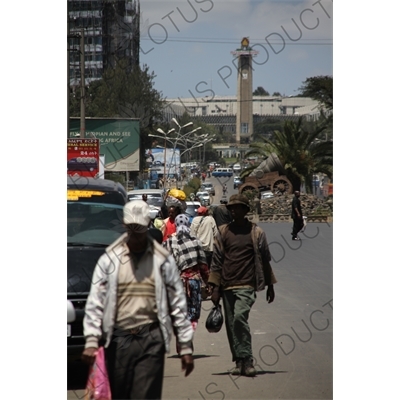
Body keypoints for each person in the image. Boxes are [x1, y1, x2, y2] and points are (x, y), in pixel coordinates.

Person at [81, 201, 194, 400]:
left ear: (148, 225)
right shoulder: (110, 259)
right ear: (124, 226)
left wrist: (184, 344)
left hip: (151, 338)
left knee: (144, 395)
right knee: (122, 394)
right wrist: (91, 339)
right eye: (131, 229)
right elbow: (95, 301)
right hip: (118, 340)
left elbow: (177, 302)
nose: (136, 234)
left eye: (140, 229)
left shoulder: (162, 260)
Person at [207, 194, 277, 377]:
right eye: (231, 207)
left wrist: (270, 285)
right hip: (227, 285)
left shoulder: (257, 233)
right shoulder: (222, 232)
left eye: (237, 207)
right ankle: (238, 361)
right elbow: (216, 261)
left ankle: (248, 359)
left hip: (247, 284)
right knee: (231, 325)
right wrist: (214, 287)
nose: (233, 210)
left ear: (246, 210)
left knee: (239, 318)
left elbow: (265, 260)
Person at [163, 214, 209, 336]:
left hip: (176, 284)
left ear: (176, 225)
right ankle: (188, 336)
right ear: (188, 224)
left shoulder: (169, 242)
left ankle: (181, 337)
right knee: (193, 312)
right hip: (194, 282)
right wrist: (208, 283)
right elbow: (203, 266)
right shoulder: (195, 241)